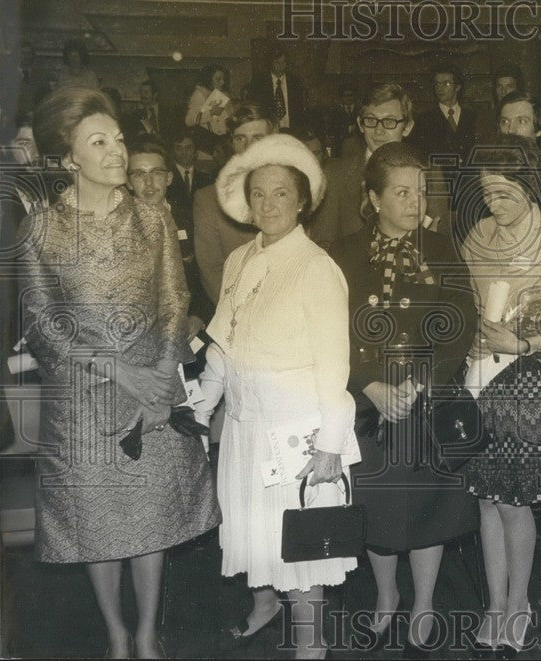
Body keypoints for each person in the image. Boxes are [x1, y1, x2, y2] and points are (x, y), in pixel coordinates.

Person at [19, 86, 220, 659]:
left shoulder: (152, 217)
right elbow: (43, 326)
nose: (116, 152)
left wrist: (158, 379)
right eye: (98, 142)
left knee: (148, 518)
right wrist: (120, 373)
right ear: (67, 160)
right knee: (98, 521)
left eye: (120, 139)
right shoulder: (41, 232)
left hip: (151, 390)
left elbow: (174, 300)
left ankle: (148, 632)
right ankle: (115, 633)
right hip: (84, 400)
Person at [197, 133, 360, 659]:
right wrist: (200, 405)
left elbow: (336, 367)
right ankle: (264, 606)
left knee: (301, 548)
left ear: (302, 200)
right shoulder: (239, 258)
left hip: (297, 436)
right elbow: (225, 342)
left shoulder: (315, 266)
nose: (268, 204)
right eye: (259, 193)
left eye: (281, 194)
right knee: (257, 535)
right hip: (245, 430)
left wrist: (330, 445)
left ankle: (310, 648)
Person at [328, 141, 479, 655]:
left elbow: (460, 326)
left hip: (424, 399)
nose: (415, 202)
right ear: (373, 197)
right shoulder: (342, 254)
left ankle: (425, 601)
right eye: (401, 192)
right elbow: (327, 331)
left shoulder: (440, 248)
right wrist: (368, 381)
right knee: (378, 507)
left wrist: (418, 386)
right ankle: (388, 594)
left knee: (428, 505)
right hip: (368, 402)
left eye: (420, 191)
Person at [459, 136, 541, 653]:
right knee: (486, 499)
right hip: (482, 376)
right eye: (487, 192)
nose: (494, 203)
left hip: (527, 378)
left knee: (514, 502)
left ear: (529, 188)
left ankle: (520, 602)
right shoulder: (477, 237)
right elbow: (466, 307)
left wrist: (526, 339)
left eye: (504, 191)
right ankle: (494, 602)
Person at [310, 83, 451, 251]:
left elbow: (439, 245)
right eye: (371, 120)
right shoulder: (336, 174)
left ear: (407, 127)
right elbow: (324, 246)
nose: (379, 130)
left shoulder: (430, 174)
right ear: (360, 124)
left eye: (389, 121)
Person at [127, 134, 213, 334]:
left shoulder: (190, 218)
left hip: (190, 324)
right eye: (139, 174)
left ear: (169, 177)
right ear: (128, 182)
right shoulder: (119, 226)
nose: (149, 183)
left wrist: (198, 315)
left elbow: (207, 271)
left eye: (156, 173)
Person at [193, 102, 274, 303]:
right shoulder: (208, 200)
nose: (249, 148)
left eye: (258, 138)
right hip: (236, 312)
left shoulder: (293, 193)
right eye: (241, 139)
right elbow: (212, 272)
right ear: (232, 143)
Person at [246, 43, 307, 132]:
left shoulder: (295, 82)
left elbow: (300, 110)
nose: (281, 66)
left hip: (291, 129)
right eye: (277, 62)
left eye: (284, 62)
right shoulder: (259, 83)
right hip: (269, 130)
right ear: (270, 63)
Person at [185, 63, 233, 138]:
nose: (223, 82)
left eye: (223, 79)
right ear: (208, 79)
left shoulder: (223, 95)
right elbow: (189, 121)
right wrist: (211, 113)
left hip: (224, 139)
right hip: (208, 139)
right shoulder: (200, 94)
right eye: (218, 79)